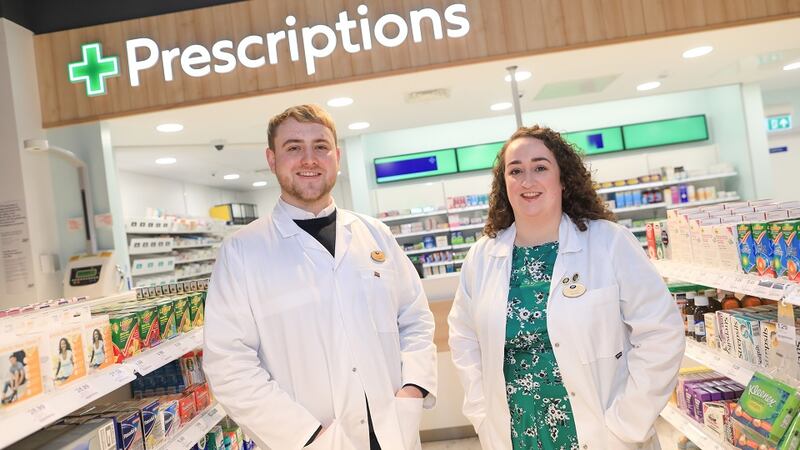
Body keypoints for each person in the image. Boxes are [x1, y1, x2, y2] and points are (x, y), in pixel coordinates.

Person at [203, 104, 437, 450]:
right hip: (311, 440)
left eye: (321, 146)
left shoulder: (376, 235)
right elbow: (229, 363)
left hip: (393, 430)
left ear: (337, 157)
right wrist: (306, 435)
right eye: (293, 147)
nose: (309, 159)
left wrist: (413, 388)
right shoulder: (242, 252)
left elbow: (414, 318)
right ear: (272, 159)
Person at [447, 125, 684, 449]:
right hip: (517, 435)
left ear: (563, 178)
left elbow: (661, 332)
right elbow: (463, 340)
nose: (527, 180)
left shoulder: (608, 242)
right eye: (515, 171)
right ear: (504, 184)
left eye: (540, 167)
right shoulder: (482, 257)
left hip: (603, 433)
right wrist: (482, 414)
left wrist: (628, 422)